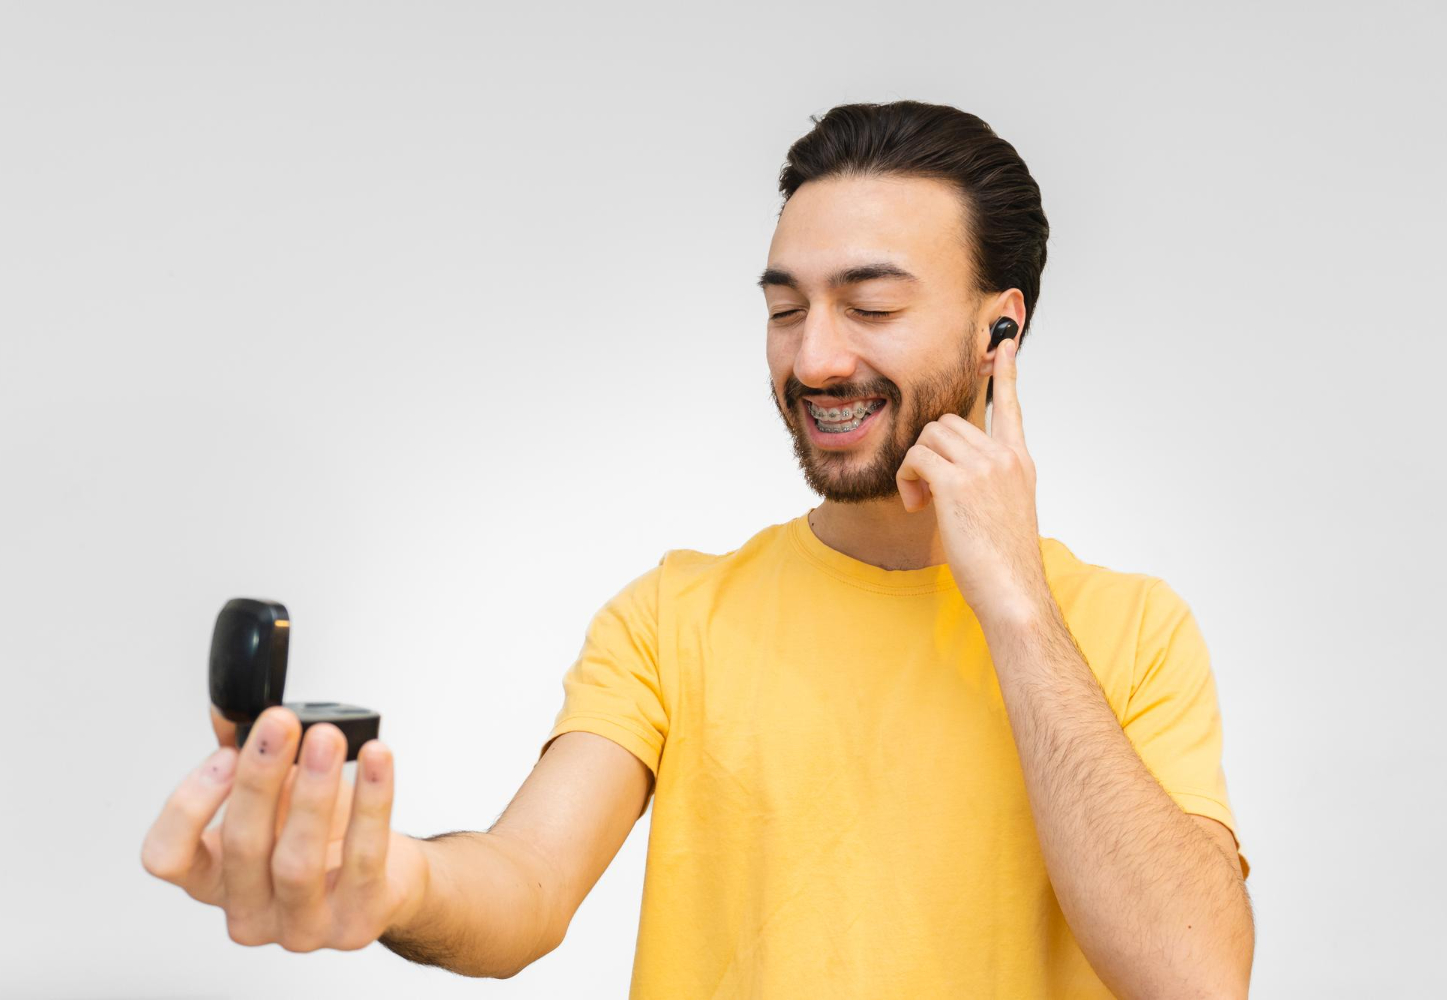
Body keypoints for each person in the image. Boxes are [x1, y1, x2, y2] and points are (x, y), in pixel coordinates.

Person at [142, 100, 1254, 997]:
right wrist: (391, 881)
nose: (815, 357)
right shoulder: (677, 615)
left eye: (870, 305)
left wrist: (1013, 598)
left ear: (999, 328)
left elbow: (1195, 977)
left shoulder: (1131, 630)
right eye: (787, 307)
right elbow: (523, 886)